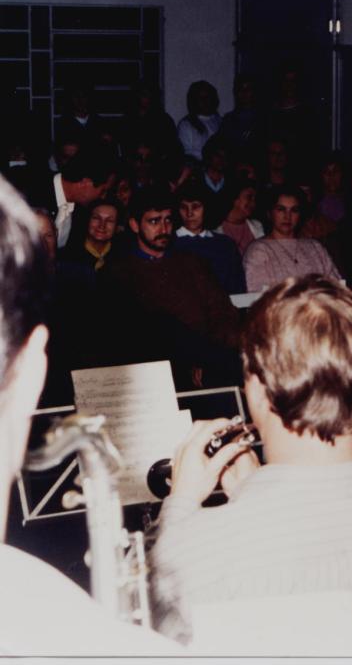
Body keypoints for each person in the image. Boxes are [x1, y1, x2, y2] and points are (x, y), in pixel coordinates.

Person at [150, 274, 352, 644]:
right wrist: (253, 491)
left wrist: (180, 503)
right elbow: (328, 537)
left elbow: (158, 629)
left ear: (257, 391)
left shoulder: (200, 548)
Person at [0, 174, 178, 654]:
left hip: (78, 406)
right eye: (34, 238)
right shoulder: (14, 300)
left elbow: (110, 345)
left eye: (48, 237)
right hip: (36, 422)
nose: (44, 246)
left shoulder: (81, 283)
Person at [100, 191, 240, 389]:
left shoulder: (192, 263)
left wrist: (208, 358)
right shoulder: (119, 271)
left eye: (168, 220)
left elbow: (222, 311)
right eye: (154, 221)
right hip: (154, 368)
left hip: (207, 360)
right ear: (134, 225)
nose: (164, 228)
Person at [243, 188, 341, 292]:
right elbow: (257, 293)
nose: (287, 216)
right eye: (281, 209)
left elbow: (337, 286)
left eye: (294, 210)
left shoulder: (315, 246)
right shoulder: (258, 250)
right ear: (269, 213)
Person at [175, 183, 246, 295]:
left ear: (207, 208)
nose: (189, 214)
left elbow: (238, 288)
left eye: (195, 207)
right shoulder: (169, 244)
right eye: (184, 207)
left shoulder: (225, 244)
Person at [177, 80, 222, 164]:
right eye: (200, 98)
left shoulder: (220, 121)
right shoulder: (186, 125)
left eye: (207, 97)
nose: (204, 101)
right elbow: (187, 154)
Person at [215, 180, 264, 256]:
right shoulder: (215, 230)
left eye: (254, 199)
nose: (253, 203)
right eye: (249, 197)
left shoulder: (257, 226)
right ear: (234, 198)